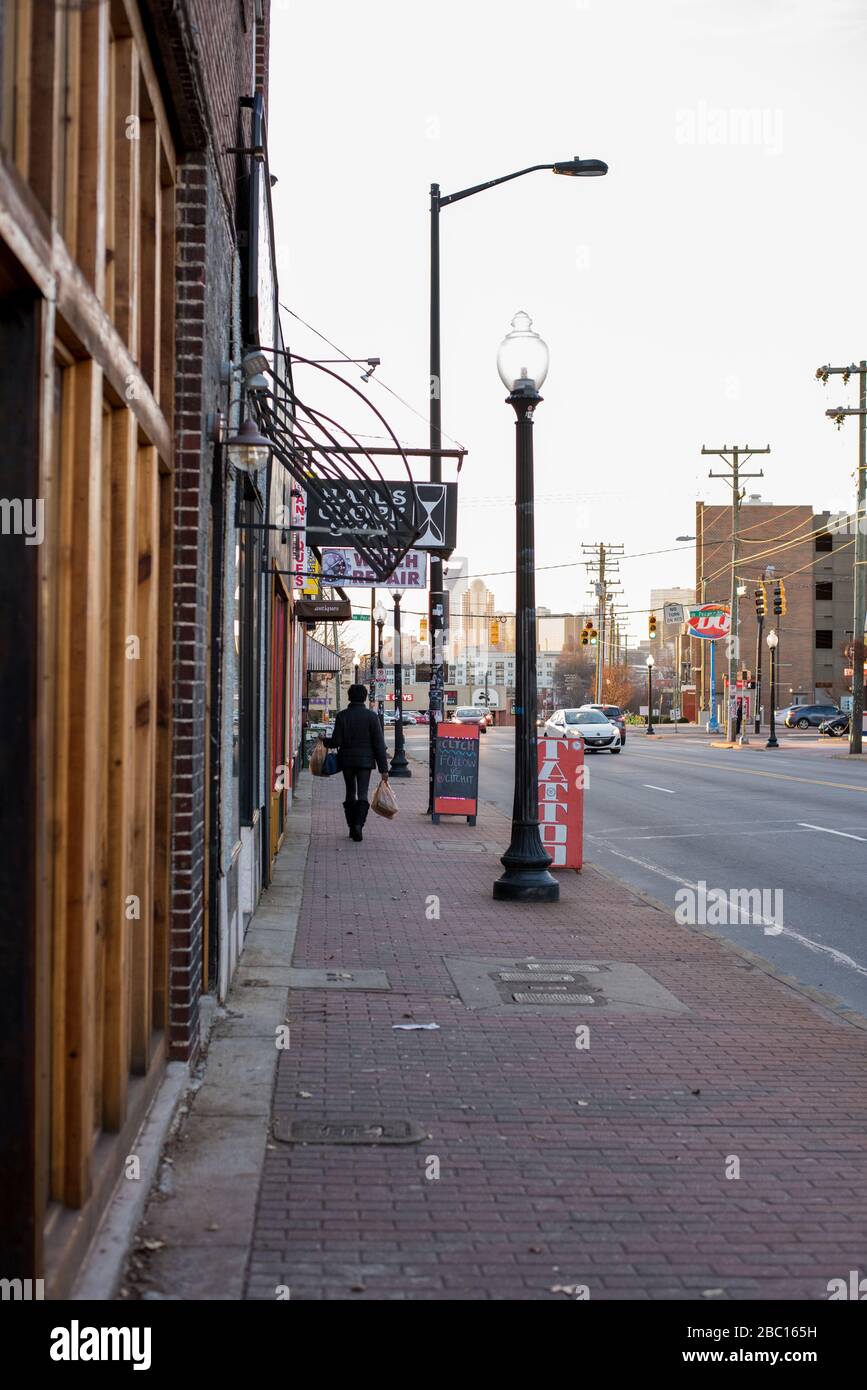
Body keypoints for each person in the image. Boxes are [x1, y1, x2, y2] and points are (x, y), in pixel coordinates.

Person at [323, 684, 389, 842]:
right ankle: (359, 824)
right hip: (365, 762)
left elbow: (336, 741)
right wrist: (384, 770)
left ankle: (351, 825)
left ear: (349, 697)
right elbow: (379, 744)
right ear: (365, 698)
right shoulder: (372, 717)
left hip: (347, 760)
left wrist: (324, 741)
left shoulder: (342, 716)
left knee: (350, 791)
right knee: (363, 793)